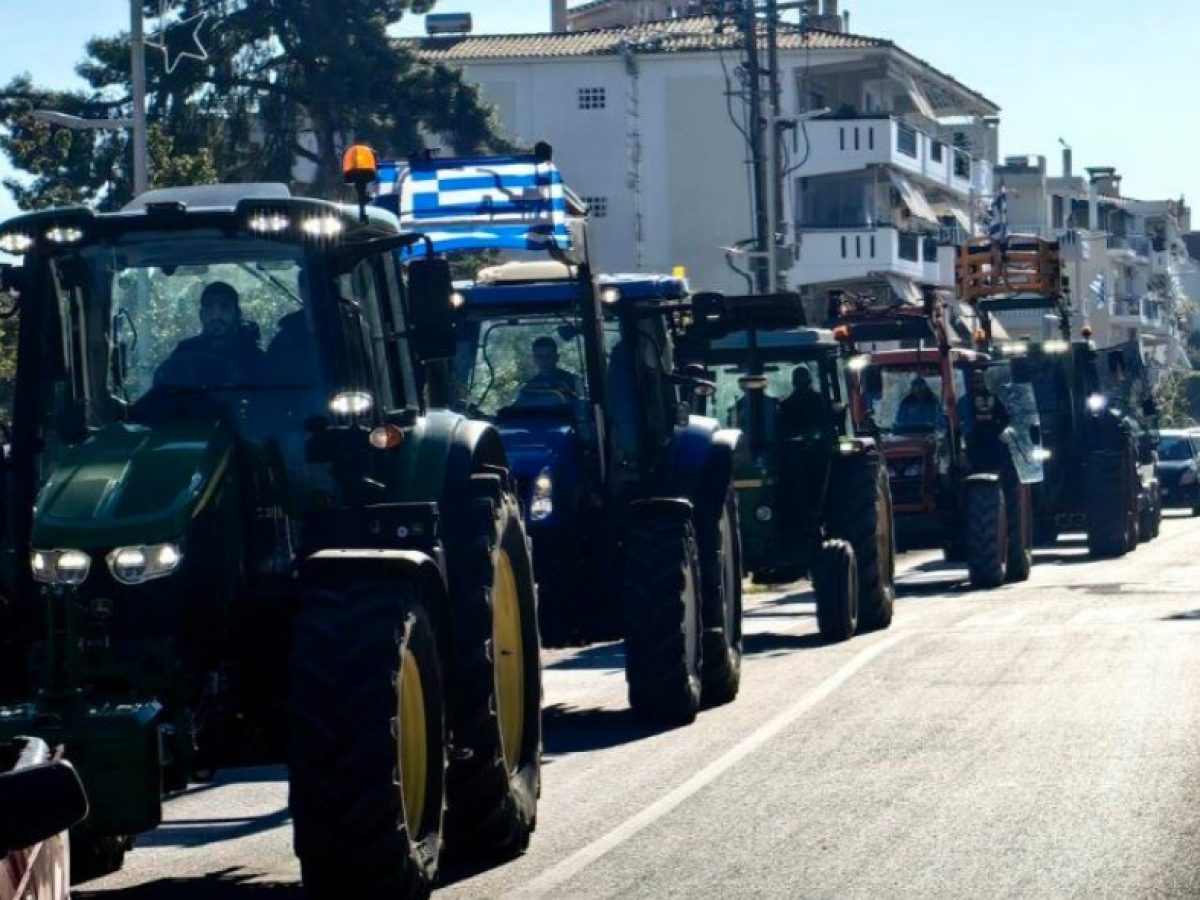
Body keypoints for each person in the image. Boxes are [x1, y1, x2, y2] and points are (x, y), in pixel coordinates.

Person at [156, 282, 266, 386]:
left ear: (237, 312)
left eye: (224, 307)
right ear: (201, 315)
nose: (216, 316)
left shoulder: (253, 358)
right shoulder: (186, 351)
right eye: (209, 308)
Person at [517, 336, 578, 402]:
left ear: (557, 357)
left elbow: (581, 406)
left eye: (548, 356)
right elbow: (517, 410)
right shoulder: (529, 388)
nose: (544, 360)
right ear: (534, 359)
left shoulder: (572, 382)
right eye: (540, 356)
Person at [778, 366, 831, 439]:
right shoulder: (821, 400)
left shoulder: (821, 400)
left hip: (820, 442)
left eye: (803, 379)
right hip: (795, 444)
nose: (802, 382)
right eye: (800, 380)